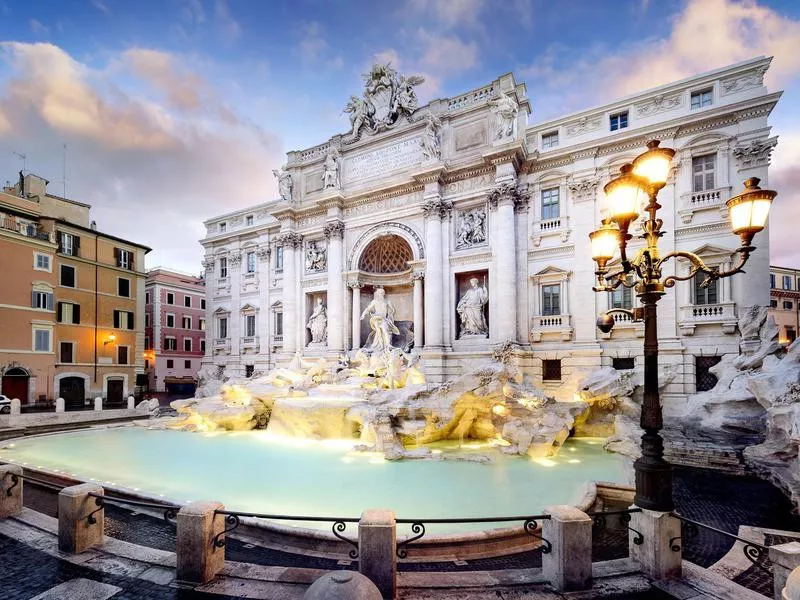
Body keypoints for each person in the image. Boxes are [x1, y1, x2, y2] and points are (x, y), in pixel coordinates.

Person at [360, 288, 399, 353]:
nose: (381, 294)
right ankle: (381, 346)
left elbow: (393, 310)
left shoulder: (387, 301)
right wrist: (363, 315)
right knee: (378, 332)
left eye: (382, 293)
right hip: (376, 318)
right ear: (378, 294)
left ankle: (388, 345)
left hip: (383, 318)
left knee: (385, 330)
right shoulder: (374, 301)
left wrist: (390, 315)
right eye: (380, 293)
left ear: (384, 293)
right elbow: (368, 309)